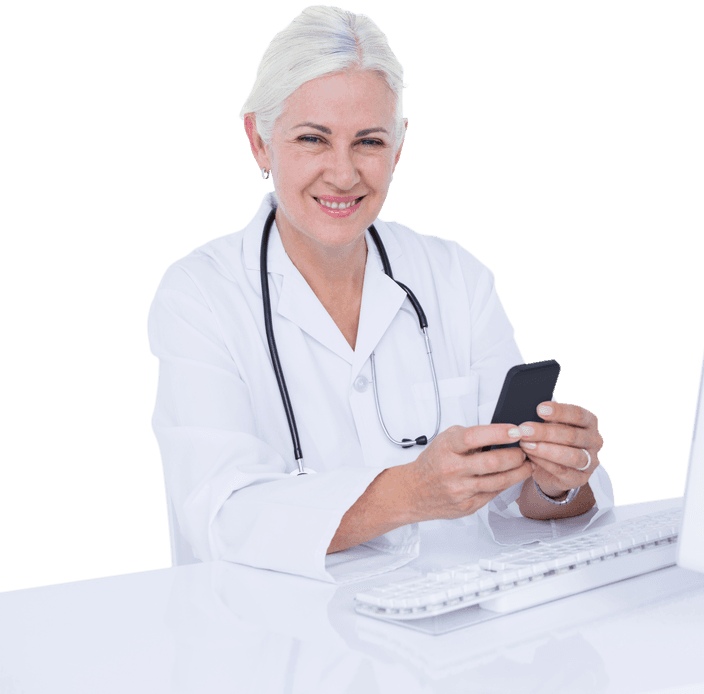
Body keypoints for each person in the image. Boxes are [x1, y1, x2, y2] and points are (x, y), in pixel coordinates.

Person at [147, 4, 613, 582]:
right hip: (281, 646)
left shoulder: (455, 276)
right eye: (313, 139)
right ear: (260, 143)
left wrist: (557, 479)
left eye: (368, 142)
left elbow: (522, 502)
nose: (343, 175)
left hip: (458, 632)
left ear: (398, 146)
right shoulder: (200, 293)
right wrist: (407, 494)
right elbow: (221, 516)